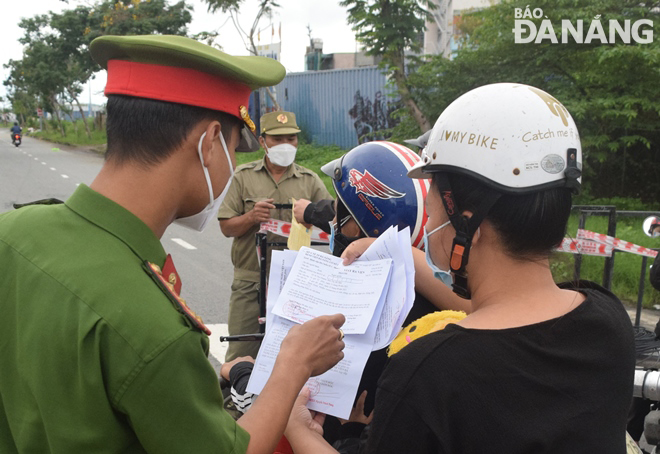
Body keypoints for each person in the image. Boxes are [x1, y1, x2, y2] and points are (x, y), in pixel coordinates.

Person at [0, 34, 346, 454]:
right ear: (208, 143)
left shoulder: (12, 233)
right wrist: (295, 364)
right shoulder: (152, 325)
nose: (233, 163)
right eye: (234, 147)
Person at [288, 83, 637, 453]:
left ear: (468, 221)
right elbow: (501, 315)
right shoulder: (607, 321)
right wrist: (396, 252)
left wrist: (300, 432)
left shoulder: (427, 373)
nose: (428, 216)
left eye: (433, 196)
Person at [218, 110, 333, 361]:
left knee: (293, 357)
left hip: (296, 284)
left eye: (291, 138)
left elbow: (334, 225)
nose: (285, 145)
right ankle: (234, 400)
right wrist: (250, 217)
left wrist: (314, 216)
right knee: (241, 355)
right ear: (262, 142)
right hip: (250, 284)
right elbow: (226, 226)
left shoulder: (310, 181)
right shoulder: (243, 177)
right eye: (277, 139)